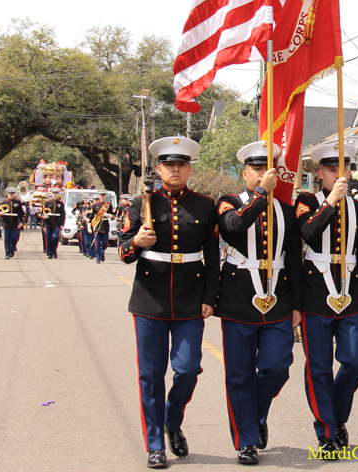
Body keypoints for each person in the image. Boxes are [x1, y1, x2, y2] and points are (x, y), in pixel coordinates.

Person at [118, 136, 219, 469]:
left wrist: (210, 297)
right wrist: (137, 241)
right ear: (159, 169)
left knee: (188, 369)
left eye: (181, 165)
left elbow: (213, 257)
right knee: (150, 375)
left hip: (190, 299)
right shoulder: (141, 203)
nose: (175, 170)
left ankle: (172, 420)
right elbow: (122, 252)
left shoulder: (205, 205)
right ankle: (155, 443)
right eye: (169, 165)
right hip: (150, 299)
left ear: (189, 168)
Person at [215, 141, 302, 465]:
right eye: (256, 169)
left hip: (277, 300)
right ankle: (246, 440)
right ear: (245, 173)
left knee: (277, 366)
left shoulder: (286, 210)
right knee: (238, 375)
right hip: (238, 300)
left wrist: (297, 303)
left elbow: (292, 258)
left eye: (268, 169)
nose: (263, 174)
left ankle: (255, 414)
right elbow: (234, 226)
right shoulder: (228, 202)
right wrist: (258, 196)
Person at [294, 142, 358, 458]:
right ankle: (327, 431)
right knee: (318, 368)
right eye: (331, 169)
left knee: (356, 361)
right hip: (315, 294)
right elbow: (309, 233)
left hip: (351, 295)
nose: (338, 174)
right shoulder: (306, 202)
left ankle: (336, 414)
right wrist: (330, 201)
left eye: (343, 169)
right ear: (320, 173)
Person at [0, 187, 25, 259]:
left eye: (12, 194)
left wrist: (21, 222)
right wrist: (1, 214)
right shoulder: (4, 202)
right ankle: (7, 252)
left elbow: (21, 213)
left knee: (14, 237)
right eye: (10, 194)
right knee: (7, 238)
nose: (11, 195)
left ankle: (12, 248)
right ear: (8, 194)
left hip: (15, 222)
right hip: (6, 222)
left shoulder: (17, 202)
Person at [41, 188, 66, 259]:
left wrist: (62, 224)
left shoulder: (60, 204)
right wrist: (43, 223)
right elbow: (43, 213)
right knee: (48, 239)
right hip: (48, 223)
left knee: (55, 237)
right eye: (54, 193)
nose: (55, 195)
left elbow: (63, 214)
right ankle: (49, 253)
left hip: (57, 223)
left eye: (56, 193)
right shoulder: (47, 203)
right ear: (51, 194)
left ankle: (54, 250)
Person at [91, 192, 112, 264]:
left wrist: (109, 215)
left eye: (103, 196)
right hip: (97, 226)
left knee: (105, 243)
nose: (102, 197)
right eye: (101, 196)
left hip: (105, 225)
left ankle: (102, 252)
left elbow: (113, 215)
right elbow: (91, 216)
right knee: (97, 243)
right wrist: (89, 225)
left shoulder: (108, 205)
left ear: (105, 196)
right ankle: (98, 258)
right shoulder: (95, 206)